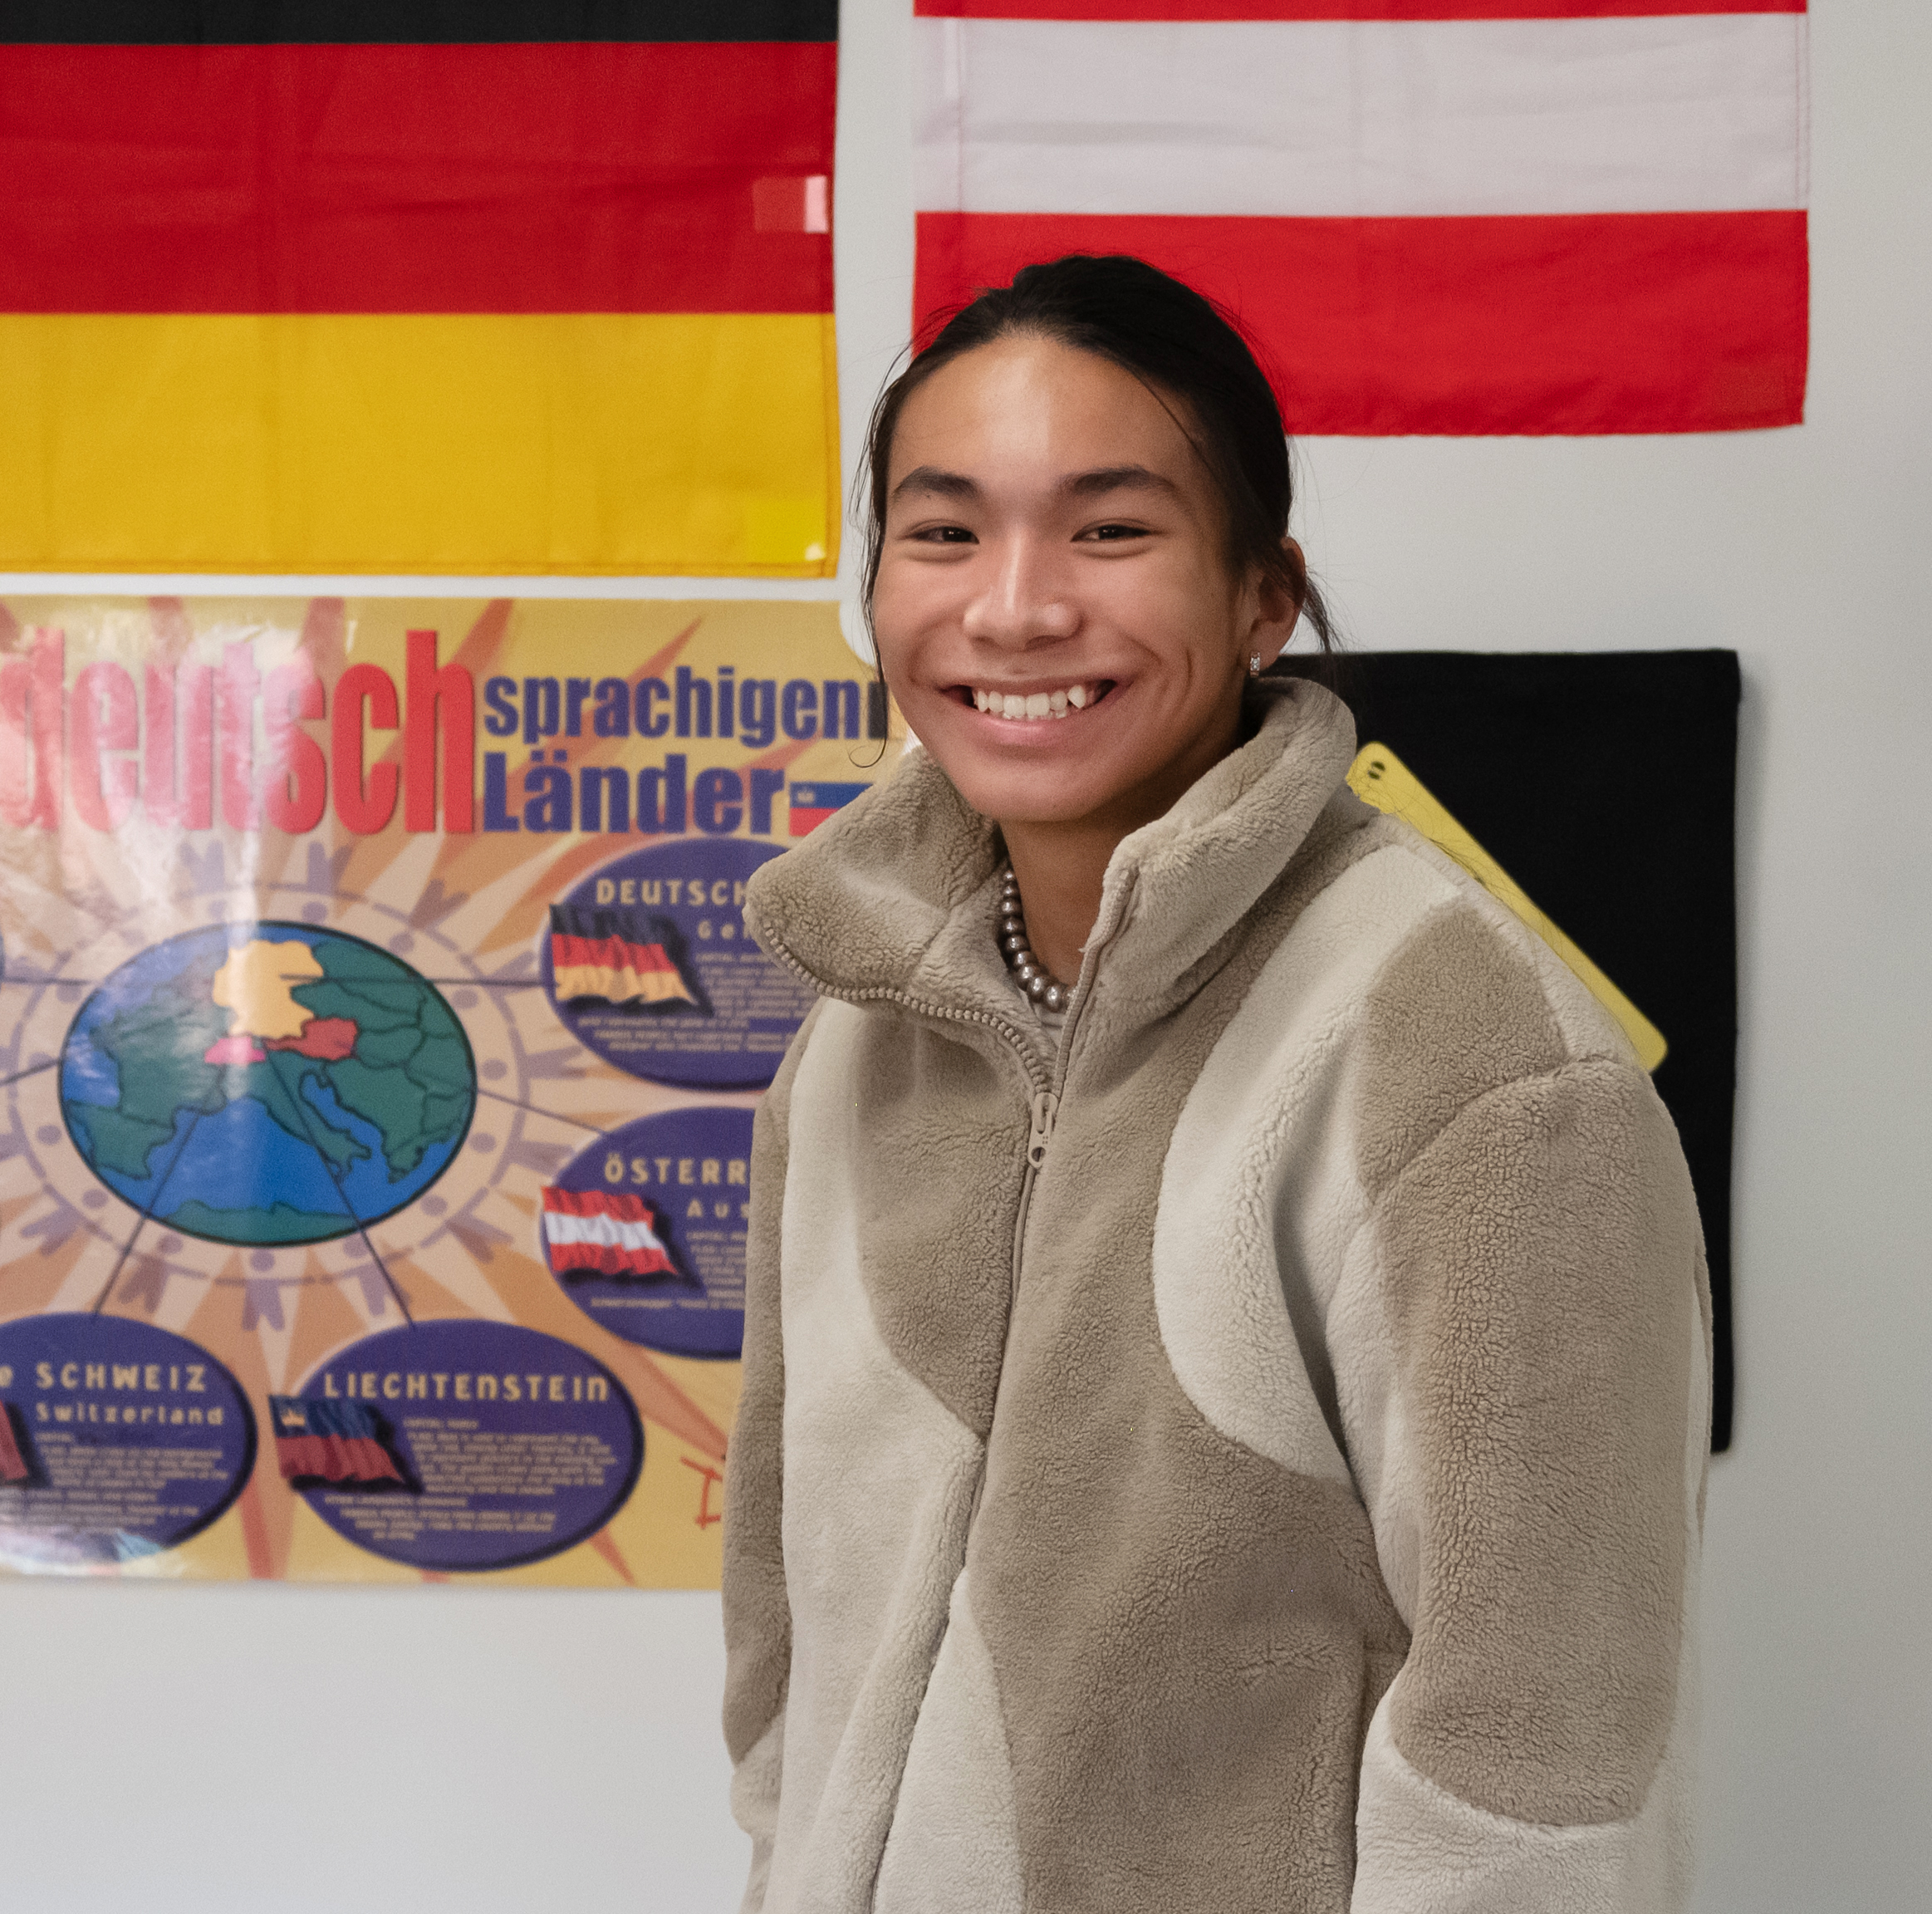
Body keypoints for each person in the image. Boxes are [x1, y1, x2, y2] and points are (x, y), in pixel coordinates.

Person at [722, 256, 1709, 1912]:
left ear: (1265, 592)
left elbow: (1543, 1766)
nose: (1015, 606)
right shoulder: (849, 1038)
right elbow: (779, 1638)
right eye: (944, 529)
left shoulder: (1475, 1054)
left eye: (1110, 528)